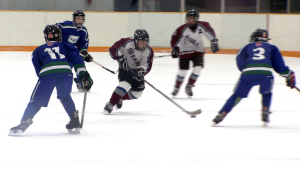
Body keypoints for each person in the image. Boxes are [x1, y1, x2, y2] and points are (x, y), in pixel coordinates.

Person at [9, 25, 93, 135]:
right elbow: (77, 60)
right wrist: (83, 75)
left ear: (45, 37)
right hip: (66, 73)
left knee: (36, 101)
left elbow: (39, 70)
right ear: (59, 36)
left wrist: (46, 79)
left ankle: (25, 121)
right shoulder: (67, 45)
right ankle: (74, 120)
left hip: (47, 74)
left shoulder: (37, 50)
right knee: (65, 96)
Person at [212, 28, 296, 126]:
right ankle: (265, 111)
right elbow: (280, 67)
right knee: (267, 92)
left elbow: (239, 60)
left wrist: (246, 70)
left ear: (255, 38)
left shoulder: (247, 46)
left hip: (248, 74)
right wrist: (289, 76)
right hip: (266, 75)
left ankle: (222, 113)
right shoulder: (272, 47)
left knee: (236, 95)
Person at [170, 9, 219, 98]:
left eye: (191, 18)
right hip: (185, 52)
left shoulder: (203, 25)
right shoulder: (182, 29)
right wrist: (175, 49)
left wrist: (214, 42)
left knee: (198, 69)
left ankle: (189, 86)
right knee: (183, 72)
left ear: (196, 19)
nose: (189, 20)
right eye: (188, 18)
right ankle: (177, 88)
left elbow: (210, 33)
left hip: (198, 51)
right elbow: (175, 40)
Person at [103, 29, 154, 114]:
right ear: (136, 40)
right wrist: (120, 58)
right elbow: (113, 50)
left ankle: (120, 98)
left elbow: (146, 65)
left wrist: (141, 71)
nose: (144, 44)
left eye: (146, 42)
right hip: (125, 68)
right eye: (142, 42)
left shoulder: (148, 51)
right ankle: (110, 104)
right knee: (125, 84)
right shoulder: (126, 42)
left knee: (138, 93)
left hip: (136, 71)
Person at [56, 10, 94, 92]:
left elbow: (83, 43)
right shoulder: (66, 25)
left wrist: (84, 52)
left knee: (80, 63)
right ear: (74, 19)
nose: (80, 20)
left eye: (82, 19)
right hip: (63, 53)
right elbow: (56, 27)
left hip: (74, 53)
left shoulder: (83, 30)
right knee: (65, 72)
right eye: (78, 18)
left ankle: (82, 81)